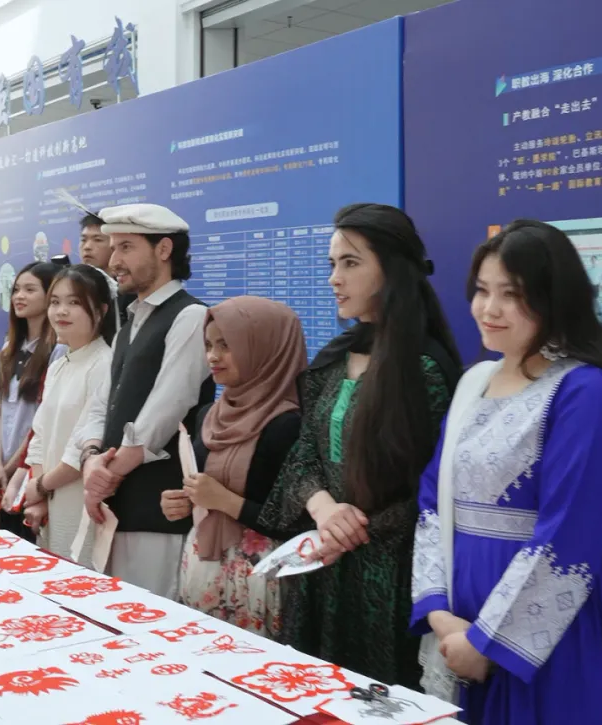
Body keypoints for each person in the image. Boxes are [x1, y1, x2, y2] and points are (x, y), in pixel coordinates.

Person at [411, 219, 602, 724]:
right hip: (459, 616)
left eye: (512, 294)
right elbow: (433, 500)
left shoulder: (583, 391)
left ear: (553, 299)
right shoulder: (474, 382)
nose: (489, 309)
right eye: (482, 291)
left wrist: (488, 642)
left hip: (544, 634)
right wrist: (438, 611)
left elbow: (569, 533)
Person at [258, 203, 462, 687]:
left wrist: (351, 531)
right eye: (333, 264)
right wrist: (324, 509)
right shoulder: (334, 359)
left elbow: (436, 487)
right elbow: (304, 451)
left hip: (388, 574)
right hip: (322, 562)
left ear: (392, 269)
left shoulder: (424, 369)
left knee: (376, 697)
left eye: (350, 263)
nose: (335, 278)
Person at [79, 203, 215, 598]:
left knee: (152, 617)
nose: (114, 261)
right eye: (113, 249)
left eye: (125, 248)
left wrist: (105, 476)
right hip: (115, 506)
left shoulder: (190, 316)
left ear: (164, 249)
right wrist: (91, 459)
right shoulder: (129, 324)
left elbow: (167, 408)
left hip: (157, 512)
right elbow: (101, 405)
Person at [161, 296, 306, 637]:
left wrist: (225, 501)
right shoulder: (208, 416)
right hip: (204, 566)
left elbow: (297, 522)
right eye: (209, 345)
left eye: (226, 345)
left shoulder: (289, 425)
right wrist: (184, 502)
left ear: (265, 348)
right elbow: (206, 490)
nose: (213, 356)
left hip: (261, 578)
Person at [20, 265, 116, 564]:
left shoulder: (104, 364)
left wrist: (39, 487)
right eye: (55, 302)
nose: (61, 311)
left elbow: (81, 449)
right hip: (51, 497)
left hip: (82, 499)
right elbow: (40, 436)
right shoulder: (59, 365)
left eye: (74, 302)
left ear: (101, 310)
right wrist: (39, 495)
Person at [0, 261, 66, 540]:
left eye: (30, 290)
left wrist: (7, 469)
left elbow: (40, 422)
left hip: (34, 471)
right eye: (16, 289)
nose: (19, 296)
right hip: (4, 471)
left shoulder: (59, 350)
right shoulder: (10, 347)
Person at [80, 212, 135, 328]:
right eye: (83, 240)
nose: (87, 247)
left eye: (97, 240)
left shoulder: (129, 290)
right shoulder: (77, 286)